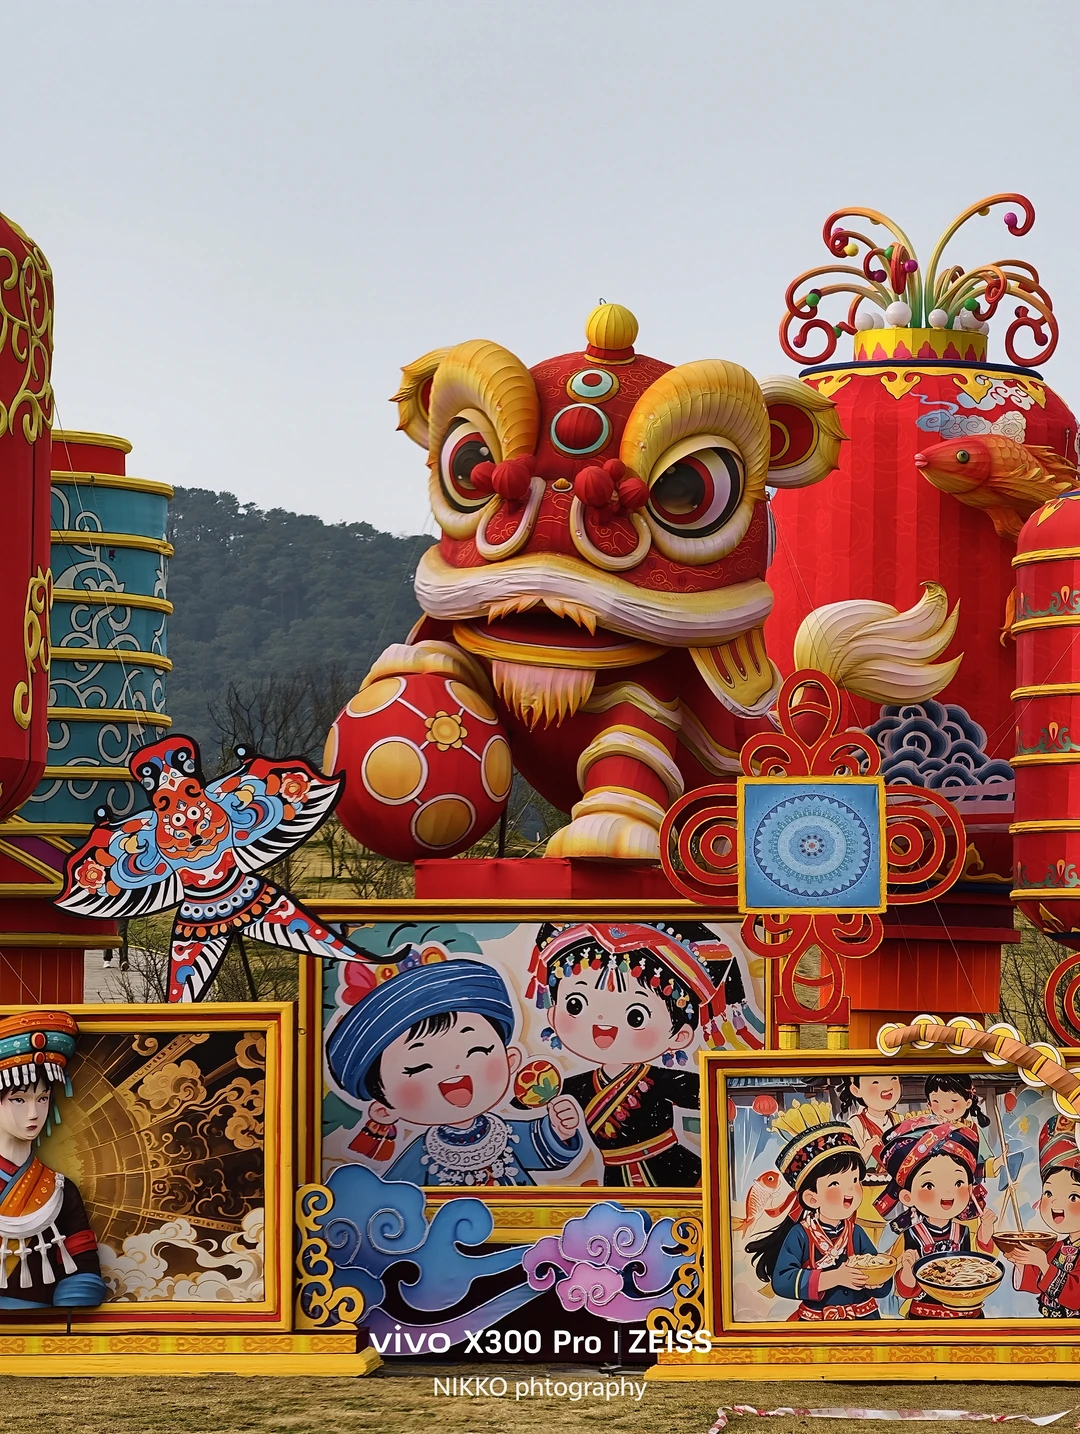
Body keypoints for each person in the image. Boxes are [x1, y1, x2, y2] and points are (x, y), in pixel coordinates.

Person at [327, 957, 582, 1186]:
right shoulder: (422, 1156)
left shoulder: (504, 1135)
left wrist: (560, 1130)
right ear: (384, 1109)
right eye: (419, 1068)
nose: (454, 1072)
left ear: (510, 1060)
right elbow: (396, 1198)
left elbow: (546, 1152)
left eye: (477, 1050)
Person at [528, 922, 747, 1188]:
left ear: (679, 1035)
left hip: (676, 1171)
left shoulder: (663, 1080)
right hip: (615, 1178)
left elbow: (717, 1094)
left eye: (636, 1016)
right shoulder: (576, 1086)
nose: (602, 1025)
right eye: (576, 1005)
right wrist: (561, 1123)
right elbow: (527, 1102)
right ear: (553, 1014)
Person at [746, 1099, 889, 1320]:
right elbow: (782, 1281)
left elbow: (880, 1276)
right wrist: (833, 1278)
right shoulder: (800, 1234)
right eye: (835, 1183)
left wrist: (876, 1281)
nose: (850, 1190)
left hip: (863, 1317)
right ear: (812, 1198)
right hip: (818, 1320)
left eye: (854, 1180)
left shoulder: (855, 1232)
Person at [0, 1011, 106, 1309]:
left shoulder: (59, 1189)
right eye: (19, 1099)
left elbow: (82, 1260)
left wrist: (81, 1285)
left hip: (40, 1323)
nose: (34, 1113)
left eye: (43, 1098)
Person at [877, 1115, 996, 1318]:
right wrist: (908, 1268)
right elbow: (905, 1290)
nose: (947, 1193)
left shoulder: (963, 1231)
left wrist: (986, 1231)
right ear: (907, 1196)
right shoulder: (910, 1235)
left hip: (967, 1313)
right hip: (925, 1315)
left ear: (969, 1189)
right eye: (929, 1185)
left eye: (958, 1183)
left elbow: (982, 1266)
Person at [1005, 1114, 1080, 1317]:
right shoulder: (1056, 1247)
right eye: (1049, 1193)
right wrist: (1021, 1261)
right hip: (1049, 1325)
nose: (1056, 1203)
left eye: (1073, 1196)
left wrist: (1044, 1265)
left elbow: (1075, 1296)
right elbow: (1034, 1283)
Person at [835, 1075, 903, 1174]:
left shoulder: (899, 1120)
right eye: (875, 1082)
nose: (888, 1087)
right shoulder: (855, 1124)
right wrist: (867, 1150)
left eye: (894, 1079)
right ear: (855, 1090)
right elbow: (849, 1168)